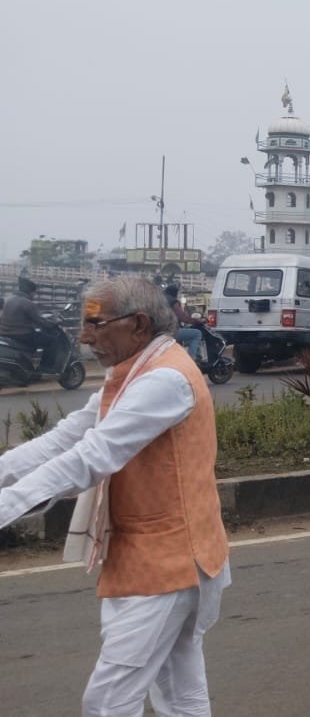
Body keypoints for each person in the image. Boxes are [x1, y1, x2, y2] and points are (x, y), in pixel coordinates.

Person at [0, 276, 231, 714]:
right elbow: (63, 439)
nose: (85, 338)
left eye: (96, 324)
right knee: (180, 694)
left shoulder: (164, 379)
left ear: (138, 324)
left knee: (108, 701)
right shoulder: (131, 374)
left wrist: (7, 506)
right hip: (155, 557)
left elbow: (91, 456)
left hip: (170, 563)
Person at [0, 277, 60, 371]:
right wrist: (53, 324)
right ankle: (46, 367)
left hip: (4, 333)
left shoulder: (8, 299)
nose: (35, 295)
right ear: (30, 292)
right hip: (21, 335)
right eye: (34, 292)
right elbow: (39, 320)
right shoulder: (27, 303)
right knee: (52, 341)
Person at [164, 284, 204, 362]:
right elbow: (182, 317)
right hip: (171, 331)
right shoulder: (173, 302)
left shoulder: (160, 300)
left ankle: (196, 357)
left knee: (188, 332)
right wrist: (196, 321)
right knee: (197, 333)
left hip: (160, 331)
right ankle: (191, 360)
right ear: (175, 293)